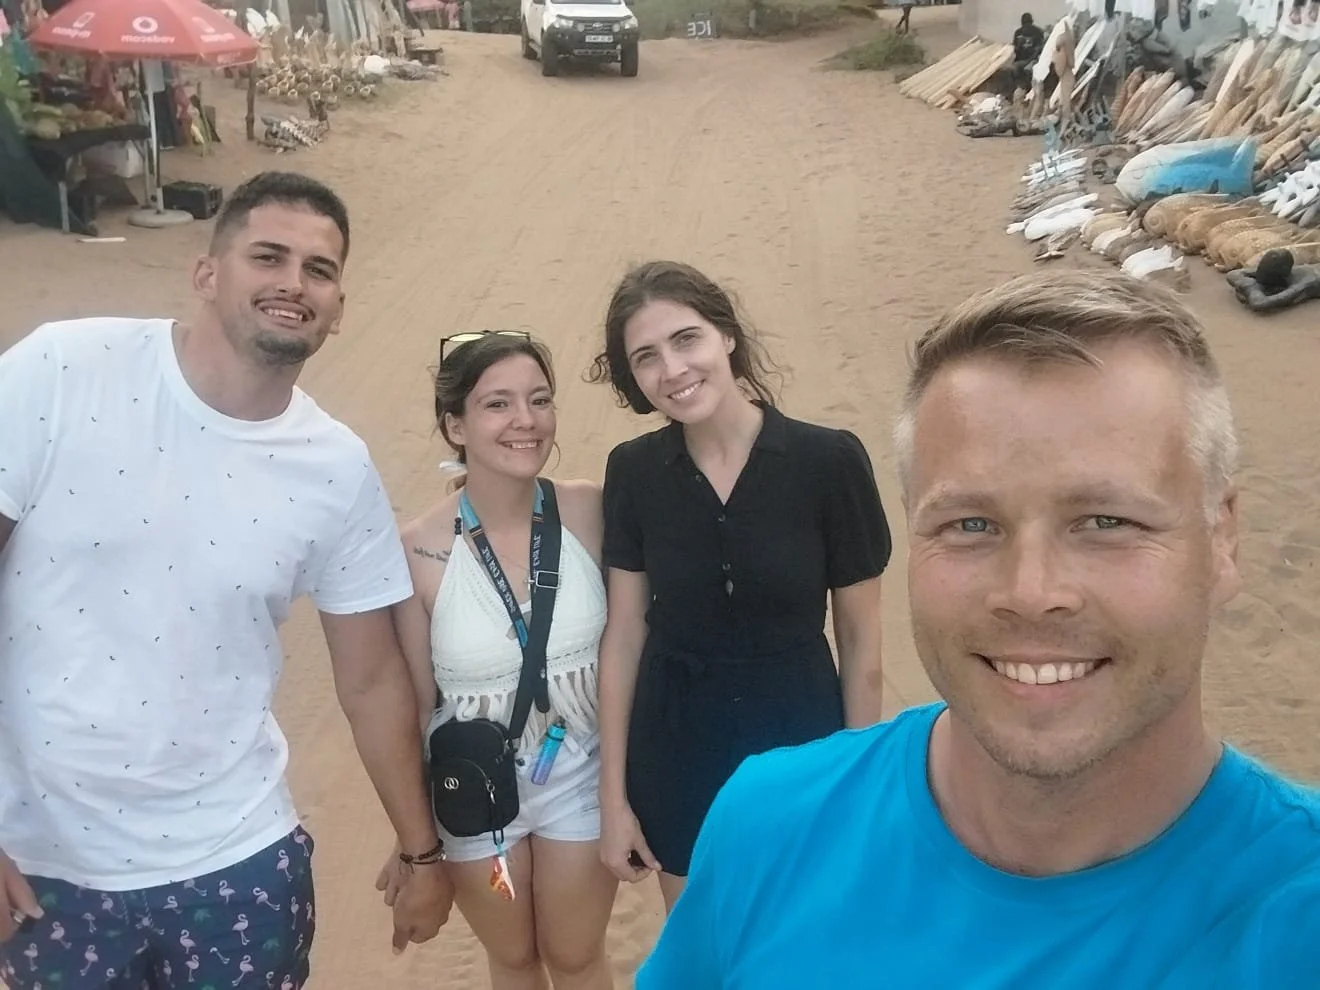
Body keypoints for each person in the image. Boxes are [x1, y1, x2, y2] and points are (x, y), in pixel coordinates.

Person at [633, 269, 1320, 988]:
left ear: (1223, 540)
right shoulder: (765, 826)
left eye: (1107, 522)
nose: (1031, 594)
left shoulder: (1294, 918)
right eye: (970, 524)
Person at [0, 171, 451, 990]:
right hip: (46, 870)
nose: (293, 283)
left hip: (239, 864)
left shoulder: (336, 468)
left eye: (319, 269)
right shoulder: (61, 372)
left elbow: (374, 678)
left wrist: (422, 848)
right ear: (207, 274)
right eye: (268, 256)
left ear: (339, 307)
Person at [587, 260, 891, 913]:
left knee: (800, 944)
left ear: (725, 335)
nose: (672, 370)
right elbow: (624, 635)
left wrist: (857, 782)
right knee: (704, 953)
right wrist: (613, 800)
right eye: (646, 357)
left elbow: (863, 644)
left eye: (685, 339)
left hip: (801, 741)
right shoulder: (634, 473)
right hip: (675, 745)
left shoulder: (829, 462)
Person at [376, 330, 619, 989]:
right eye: (497, 405)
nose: (525, 422)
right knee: (513, 959)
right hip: (477, 796)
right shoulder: (418, 550)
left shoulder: (591, 510)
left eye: (539, 400)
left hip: (578, 775)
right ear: (454, 423)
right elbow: (417, 708)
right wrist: (415, 839)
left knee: (575, 956)